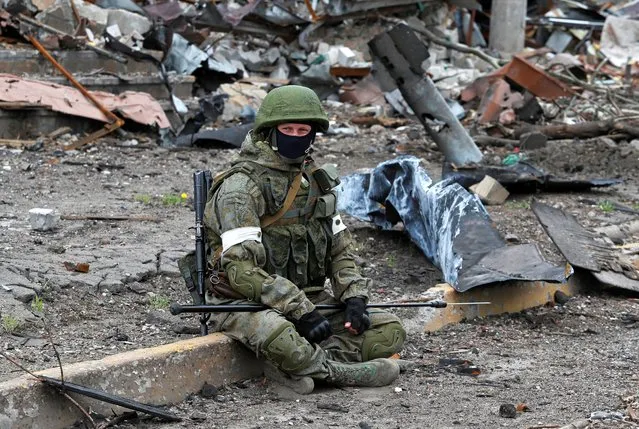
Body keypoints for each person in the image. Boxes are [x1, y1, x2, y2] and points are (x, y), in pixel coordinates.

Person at [201, 85, 406, 394]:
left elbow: (340, 247)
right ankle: (337, 372)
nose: (295, 135)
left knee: (389, 331)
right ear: (270, 131)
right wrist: (298, 309)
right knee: (282, 336)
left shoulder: (314, 180)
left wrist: (354, 297)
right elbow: (240, 271)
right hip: (245, 303)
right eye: (287, 128)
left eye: (303, 129)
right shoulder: (240, 188)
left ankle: (299, 368)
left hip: (310, 300)